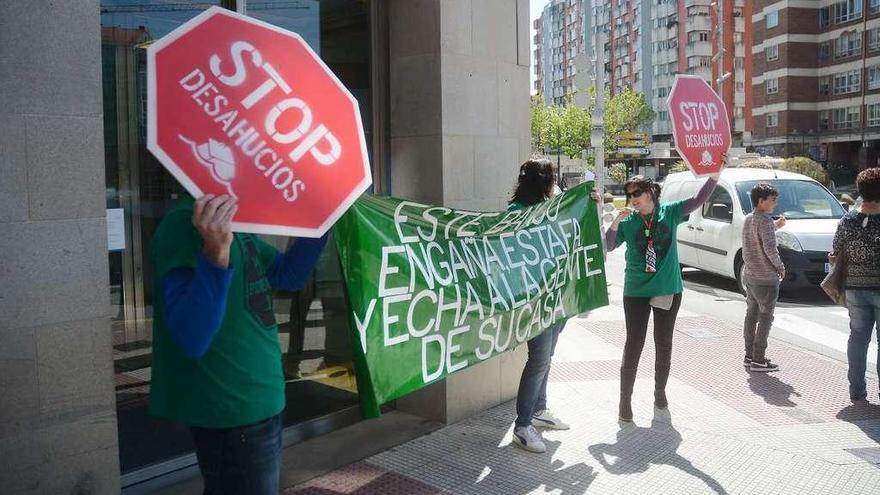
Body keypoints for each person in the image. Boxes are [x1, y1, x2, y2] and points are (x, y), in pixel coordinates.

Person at [150, 194, 327, 494]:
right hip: (232, 411)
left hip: (263, 400)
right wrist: (216, 252)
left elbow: (290, 275)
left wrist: (325, 217)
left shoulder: (235, 223)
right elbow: (192, 337)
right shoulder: (184, 223)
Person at [604, 167, 720, 422]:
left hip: (667, 288)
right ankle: (625, 402)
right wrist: (614, 221)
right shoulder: (629, 220)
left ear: (650, 193)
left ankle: (659, 392)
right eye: (629, 193)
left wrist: (715, 175)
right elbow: (608, 246)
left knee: (663, 343)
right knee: (634, 344)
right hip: (636, 291)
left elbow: (698, 200)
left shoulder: (670, 212)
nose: (633, 198)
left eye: (637, 193)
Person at [509, 159, 600, 453]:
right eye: (552, 179)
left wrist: (588, 204)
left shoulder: (553, 207)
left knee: (546, 357)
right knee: (538, 359)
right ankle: (522, 425)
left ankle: (539, 410)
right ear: (543, 182)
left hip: (557, 295)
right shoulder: (516, 213)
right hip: (535, 300)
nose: (555, 183)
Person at [832, 167, 880, 403]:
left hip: (854, 288)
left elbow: (835, 251)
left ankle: (857, 389)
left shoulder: (847, 220)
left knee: (858, 337)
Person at [741, 183, 786, 372]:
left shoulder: (749, 219)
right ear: (761, 201)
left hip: (750, 276)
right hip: (766, 278)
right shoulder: (765, 221)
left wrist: (775, 225)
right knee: (766, 318)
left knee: (751, 315)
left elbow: (757, 236)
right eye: (772, 200)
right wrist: (780, 267)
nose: (775, 203)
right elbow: (769, 248)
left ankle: (749, 355)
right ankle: (759, 358)